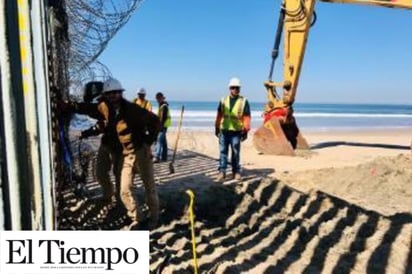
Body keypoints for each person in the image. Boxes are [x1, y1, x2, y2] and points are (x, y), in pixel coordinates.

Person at [71, 78, 161, 229]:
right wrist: (70, 106)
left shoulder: (132, 110)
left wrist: (147, 141)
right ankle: (137, 217)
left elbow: (156, 122)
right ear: (105, 95)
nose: (113, 96)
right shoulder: (104, 107)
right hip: (127, 154)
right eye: (110, 93)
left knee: (149, 187)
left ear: (121, 93)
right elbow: (88, 108)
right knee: (124, 190)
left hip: (140, 152)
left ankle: (154, 217)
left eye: (116, 93)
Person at [214, 77, 251, 182]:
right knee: (223, 152)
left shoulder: (244, 101)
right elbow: (219, 115)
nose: (235, 89)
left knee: (235, 152)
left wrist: (246, 130)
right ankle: (222, 172)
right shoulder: (223, 100)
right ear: (230, 88)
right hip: (224, 130)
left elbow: (247, 117)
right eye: (233, 87)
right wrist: (216, 127)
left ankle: (236, 171)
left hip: (236, 132)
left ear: (239, 89)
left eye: (237, 88)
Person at [154, 92, 171, 163]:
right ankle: (164, 157)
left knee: (159, 141)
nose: (157, 100)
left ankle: (157, 156)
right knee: (163, 142)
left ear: (161, 98)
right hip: (164, 126)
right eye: (157, 99)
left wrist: (159, 127)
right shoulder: (162, 105)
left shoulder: (164, 106)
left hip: (163, 126)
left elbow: (163, 118)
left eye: (158, 98)